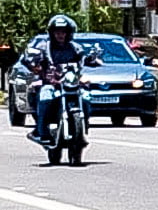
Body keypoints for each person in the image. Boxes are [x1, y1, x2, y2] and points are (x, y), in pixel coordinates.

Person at [22, 15, 100, 146]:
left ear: (68, 33)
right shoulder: (44, 47)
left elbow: (85, 59)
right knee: (45, 98)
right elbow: (28, 60)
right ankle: (42, 131)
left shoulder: (75, 47)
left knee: (86, 98)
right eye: (57, 31)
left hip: (72, 83)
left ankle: (82, 127)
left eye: (63, 31)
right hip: (51, 84)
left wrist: (93, 59)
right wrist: (33, 62)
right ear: (52, 32)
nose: (60, 35)